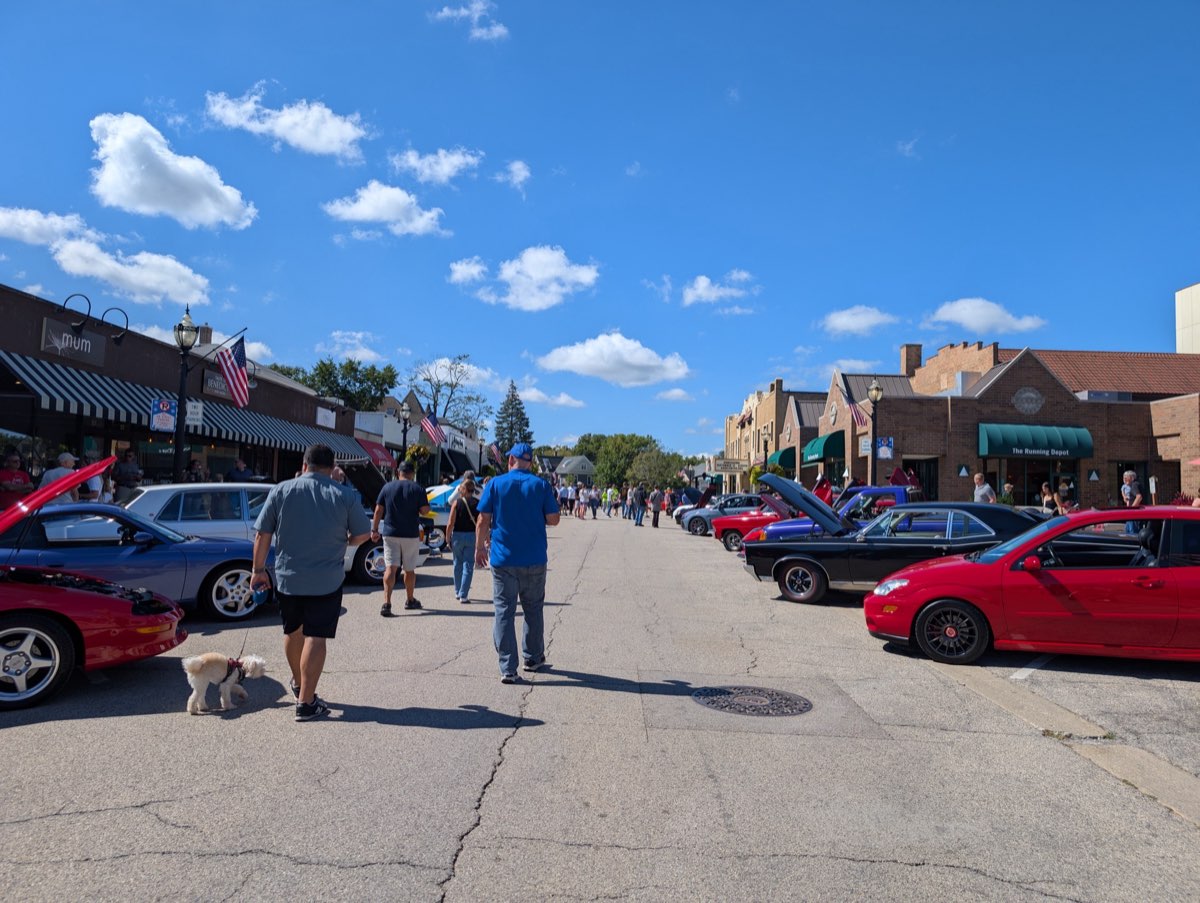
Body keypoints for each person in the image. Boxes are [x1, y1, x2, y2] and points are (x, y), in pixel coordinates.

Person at [251, 444, 372, 722]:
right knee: (316, 636)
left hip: (287, 577)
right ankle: (306, 702)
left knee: (292, 631)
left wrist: (257, 570)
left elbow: (262, 534)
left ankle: (297, 682)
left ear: (304, 464)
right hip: (326, 579)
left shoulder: (281, 490)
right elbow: (363, 534)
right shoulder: (344, 495)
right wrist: (346, 541)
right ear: (332, 468)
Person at [475, 442, 560, 683]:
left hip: (503, 559)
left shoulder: (495, 484)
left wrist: (480, 547)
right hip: (534, 558)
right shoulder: (541, 485)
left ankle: (507, 668)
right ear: (530, 462)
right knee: (533, 608)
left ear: (510, 460)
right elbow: (554, 520)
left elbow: (482, 519)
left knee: (504, 610)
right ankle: (532, 658)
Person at [372, 459, 431, 615]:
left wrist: (374, 529)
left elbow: (378, 510)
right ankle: (410, 600)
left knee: (390, 567)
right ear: (412, 473)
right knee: (409, 570)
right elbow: (425, 510)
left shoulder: (387, 487)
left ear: (399, 472)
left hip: (390, 533)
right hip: (410, 534)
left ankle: (387, 603)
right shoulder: (417, 488)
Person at [446, 476, 479, 603]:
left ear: (463, 489)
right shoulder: (477, 503)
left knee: (457, 564)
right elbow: (481, 523)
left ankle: (457, 590)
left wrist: (448, 538)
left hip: (458, 536)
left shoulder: (457, 503)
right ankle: (463, 595)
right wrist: (485, 538)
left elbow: (450, 523)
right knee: (468, 565)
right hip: (471, 535)